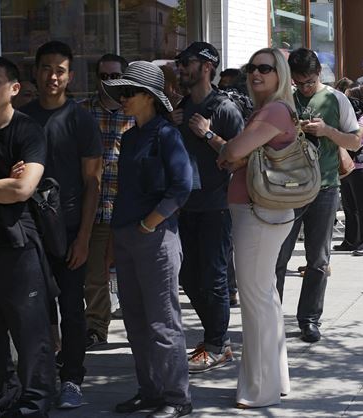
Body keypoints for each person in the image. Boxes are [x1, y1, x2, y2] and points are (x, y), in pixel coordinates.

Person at [0, 55, 56, 418]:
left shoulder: (28, 131)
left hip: (19, 246)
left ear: (14, 89)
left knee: (30, 332)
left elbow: (23, 190)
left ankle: (35, 403)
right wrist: (4, 184)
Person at [103, 60, 193, 417]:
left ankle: (176, 398)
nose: (122, 98)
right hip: (127, 236)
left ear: (149, 97)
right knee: (135, 322)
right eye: (121, 92)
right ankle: (151, 391)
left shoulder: (167, 134)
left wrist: (148, 224)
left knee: (162, 321)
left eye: (129, 92)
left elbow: (182, 186)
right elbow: (124, 193)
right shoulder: (129, 136)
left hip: (154, 237)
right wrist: (119, 237)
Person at [21, 40, 102, 409]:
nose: (53, 76)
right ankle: (37, 382)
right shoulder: (21, 118)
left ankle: (72, 378)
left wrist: (84, 236)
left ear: (70, 76)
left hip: (70, 229)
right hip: (28, 229)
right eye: (46, 68)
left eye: (60, 70)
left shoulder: (81, 119)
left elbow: (93, 182)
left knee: (71, 307)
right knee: (34, 309)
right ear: (35, 72)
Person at [216, 47, 294, 409]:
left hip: (258, 212)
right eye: (252, 68)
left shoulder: (275, 109)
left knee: (256, 300)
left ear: (280, 74)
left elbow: (233, 152)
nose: (255, 73)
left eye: (265, 68)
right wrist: (234, 152)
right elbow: (234, 153)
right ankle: (274, 382)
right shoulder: (268, 111)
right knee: (265, 297)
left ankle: (259, 389)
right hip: (262, 211)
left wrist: (233, 150)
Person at [275, 48, 360, 343]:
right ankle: (272, 319)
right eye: (299, 83)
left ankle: (309, 319)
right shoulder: (283, 99)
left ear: (319, 74)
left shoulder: (337, 99)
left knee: (318, 259)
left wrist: (326, 130)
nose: (304, 88)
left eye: (309, 82)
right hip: (285, 188)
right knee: (278, 257)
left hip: (324, 186)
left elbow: (355, 141)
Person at [172, 42, 244, 373]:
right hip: (184, 205)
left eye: (186, 62)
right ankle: (215, 336)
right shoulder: (180, 107)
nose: (180, 67)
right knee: (187, 276)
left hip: (216, 206)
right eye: (179, 62)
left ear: (206, 67)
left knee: (214, 278)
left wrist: (208, 134)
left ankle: (217, 344)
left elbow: (240, 159)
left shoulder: (224, 108)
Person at [80, 53, 135, 351]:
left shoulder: (136, 110)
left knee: (131, 271)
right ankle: (96, 327)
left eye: (115, 76)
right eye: (104, 77)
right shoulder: (82, 111)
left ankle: (137, 325)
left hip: (129, 205)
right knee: (96, 273)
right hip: (97, 205)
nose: (110, 82)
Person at [333, 86, 363, 256]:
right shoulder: (349, 117)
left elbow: (355, 138)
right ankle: (351, 240)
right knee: (350, 207)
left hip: (361, 167)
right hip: (347, 168)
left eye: (349, 98)